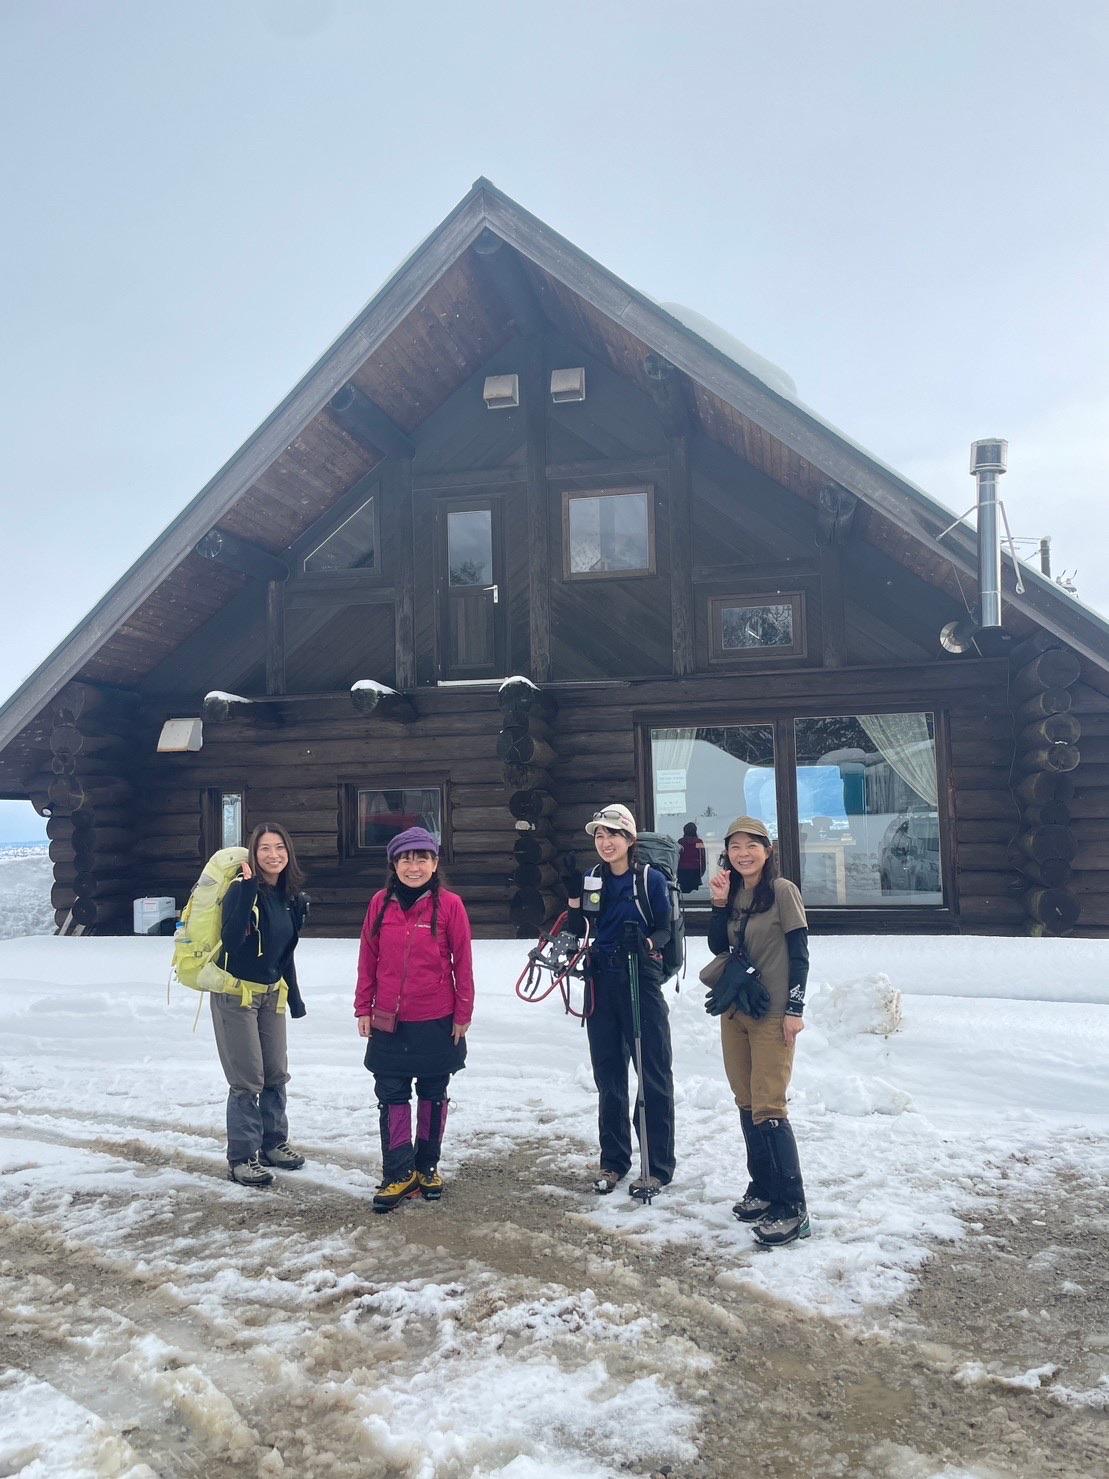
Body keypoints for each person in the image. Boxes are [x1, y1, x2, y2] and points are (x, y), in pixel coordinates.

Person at [354, 827, 474, 1213]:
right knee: (391, 1094)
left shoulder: (451, 905)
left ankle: (427, 1167)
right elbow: (368, 958)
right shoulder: (379, 903)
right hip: (389, 1019)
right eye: (406, 858)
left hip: (437, 1018)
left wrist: (463, 1013)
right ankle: (399, 1172)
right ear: (394, 863)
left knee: (434, 1094)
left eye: (422, 858)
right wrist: (363, 1006)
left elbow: (464, 963)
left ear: (435, 863)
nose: (414, 865)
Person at [707, 816, 811, 1247]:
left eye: (752, 845)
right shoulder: (734, 894)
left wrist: (795, 1008)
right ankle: (765, 1190)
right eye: (735, 847)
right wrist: (717, 906)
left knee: (770, 1106)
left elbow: (800, 952)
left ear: (767, 851)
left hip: (771, 1013)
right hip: (736, 1010)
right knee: (747, 1102)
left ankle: (793, 1207)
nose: (743, 853)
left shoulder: (783, 892)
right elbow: (719, 947)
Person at [562, 804, 676, 1197]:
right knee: (608, 1075)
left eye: (612, 834)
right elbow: (580, 929)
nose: (605, 842)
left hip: (639, 978)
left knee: (652, 1071)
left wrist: (645, 943)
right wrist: (572, 898)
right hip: (600, 978)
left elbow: (664, 929)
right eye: (599, 835)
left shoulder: (649, 879)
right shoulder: (592, 878)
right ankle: (614, 1162)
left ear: (629, 839)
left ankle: (656, 1166)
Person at [212, 822, 309, 1188]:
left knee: (275, 1072)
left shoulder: (291, 897)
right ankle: (241, 1157)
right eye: (265, 848)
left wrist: (295, 997)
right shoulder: (241, 890)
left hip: (271, 993)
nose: (274, 855)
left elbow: (286, 954)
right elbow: (232, 939)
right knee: (246, 1079)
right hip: (235, 994)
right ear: (254, 853)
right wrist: (249, 888)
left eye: (280, 847)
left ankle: (274, 1144)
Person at [676, 821, 707, 895]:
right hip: (695, 871)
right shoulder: (699, 842)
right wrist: (702, 870)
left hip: (682, 870)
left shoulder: (680, 842)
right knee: (694, 894)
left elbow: (677, 856)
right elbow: (702, 856)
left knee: (683, 893)